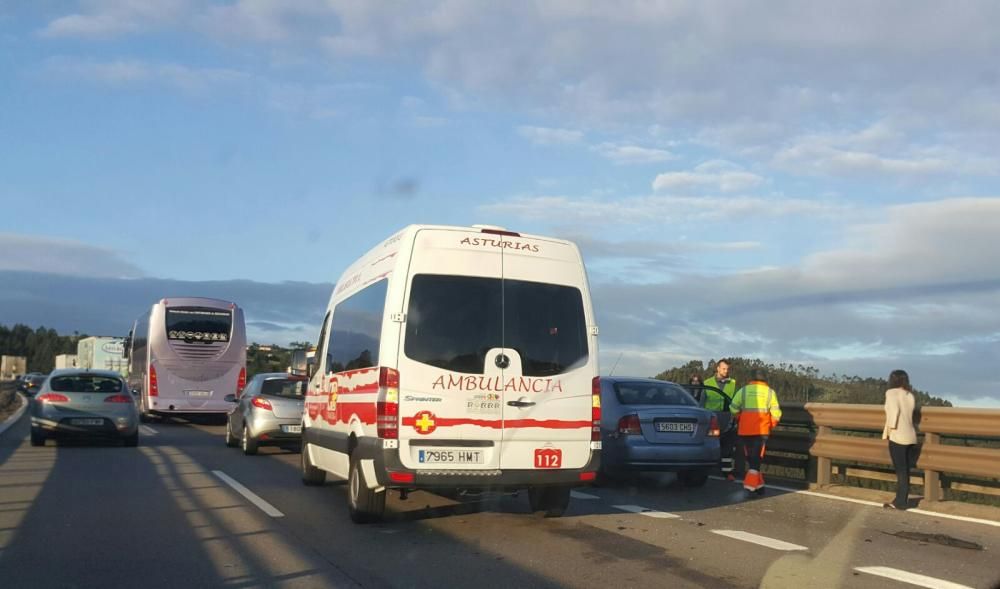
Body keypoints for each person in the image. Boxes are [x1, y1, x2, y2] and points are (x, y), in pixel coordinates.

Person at [730, 368, 782, 496]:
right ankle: (750, 487)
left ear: (751, 378)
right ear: (765, 378)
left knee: (751, 459)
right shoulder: (770, 392)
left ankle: (759, 487)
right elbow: (776, 414)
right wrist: (771, 424)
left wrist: (740, 418)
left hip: (745, 431)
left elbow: (733, 407)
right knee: (756, 459)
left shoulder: (743, 391)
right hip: (762, 431)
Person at [882, 369, 917, 510]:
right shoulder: (910, 394)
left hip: (898, 435)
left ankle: (900, 502)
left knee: (900, 470)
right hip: (910, 435)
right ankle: (902, 499)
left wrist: (889, 430)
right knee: (906, 470)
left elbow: (893, 412)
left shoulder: (891, 393)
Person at [704, 359, 737, 478]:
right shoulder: (707, 382)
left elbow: (736, 401)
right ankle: (706, 469)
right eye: (723, 368)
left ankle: (727, 472)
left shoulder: (733, 383)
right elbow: (702, 402)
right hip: (711, 418)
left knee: (728, 446)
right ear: (717, 368)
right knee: (710, 444)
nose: (726, 371)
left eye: (728, 369)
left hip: (727, 417)